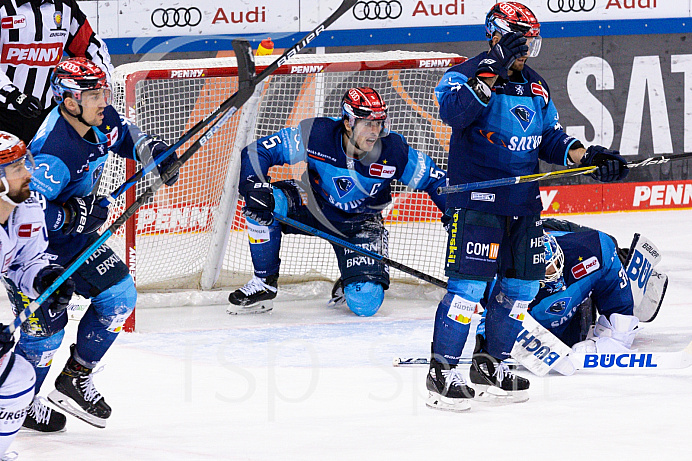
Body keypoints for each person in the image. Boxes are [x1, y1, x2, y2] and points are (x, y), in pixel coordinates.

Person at [428, 1, 630, 411]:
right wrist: (491, 69)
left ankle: (492, 363)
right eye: (520, 43)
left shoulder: (536, 87)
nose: (525, 53)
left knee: (520, 288)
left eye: (532, 45)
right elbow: (454, 113)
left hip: (523, 205)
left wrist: (587, 156)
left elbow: (551, 138)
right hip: (478, 200)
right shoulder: (463, 75)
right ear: (497, 34)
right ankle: (441, 371)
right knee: (468, 291)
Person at [23, 57, 178, 429]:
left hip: (72, 238)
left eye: (103, 91)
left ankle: (76, 377)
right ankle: (18, 402)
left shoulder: (97, 117)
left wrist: (154, 151)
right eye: (93, 94)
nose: (103, 101)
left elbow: (124, 133)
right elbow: (24, 216)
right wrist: (73, 216)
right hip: (32, 249)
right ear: (69, 101)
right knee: (46, 333)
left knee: (119, 297)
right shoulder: (54, 153)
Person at [227, 87, 447, 316]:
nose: (375, 131)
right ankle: (264, 283)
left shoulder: (394, 151)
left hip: (361, 223)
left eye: (379, 122)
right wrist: (255, 186)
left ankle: (355, 273)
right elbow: (258, 151)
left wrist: (454, 213)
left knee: (365, 304)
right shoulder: (316, 134)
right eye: (367, 123)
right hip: (313, 203)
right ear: (348, 122)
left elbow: (436, 180)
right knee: (262, 204)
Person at [478, 218, 665, 360]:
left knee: (610, 249)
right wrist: (486, 342)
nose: (555, 274)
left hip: (558, 233)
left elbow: (603, 247)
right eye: (547, 271)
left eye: (554, 265)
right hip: (512, 274)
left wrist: (620, 329)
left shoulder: (590, 249)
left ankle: (622, 262)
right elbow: (489, 329)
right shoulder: (505, 279)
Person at [0, 131, 77, 450]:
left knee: (18, 379)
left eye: (24, 163)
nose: (28, 173)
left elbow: (25, 261)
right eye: (17, 168)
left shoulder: (27, 204)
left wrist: (45, 278)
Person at [0, 0, 113, 144]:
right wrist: (12, 95)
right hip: (3, 113)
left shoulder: (65, 6)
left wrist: (105, 84)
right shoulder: (3, 6)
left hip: (46, 115)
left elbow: (93, 49)